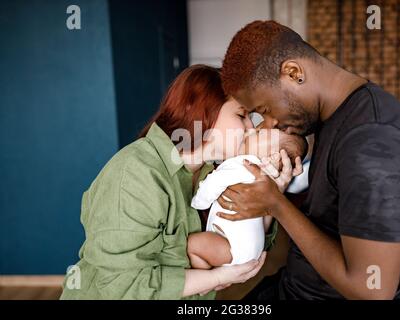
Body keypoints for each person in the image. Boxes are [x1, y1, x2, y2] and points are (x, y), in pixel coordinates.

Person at [217, 20, 400, 300]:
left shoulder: (373, 143)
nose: (269, 124)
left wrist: (276, 204)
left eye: (266, 109)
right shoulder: (340, 115)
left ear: (293, 73)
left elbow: (371, 291)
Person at [60, 65, 290, 300]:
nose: (251, 129)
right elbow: (121, 285)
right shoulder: (134, 175)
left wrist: (273, 194)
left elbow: (243, 244)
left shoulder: (214, 173)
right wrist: (217, 278)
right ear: (204, 113)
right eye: (242, 116)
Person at [188, 130, 307, 268]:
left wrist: (198, 202)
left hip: (233, 246)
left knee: (193, 245)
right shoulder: (268, 180)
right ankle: (207, 276)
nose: (251, 131)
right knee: (198, 247)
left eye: (261, 133)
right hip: (247, 247)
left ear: (273, 156)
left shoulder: (245, 166)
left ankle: (205, 276)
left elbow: (216, 181)